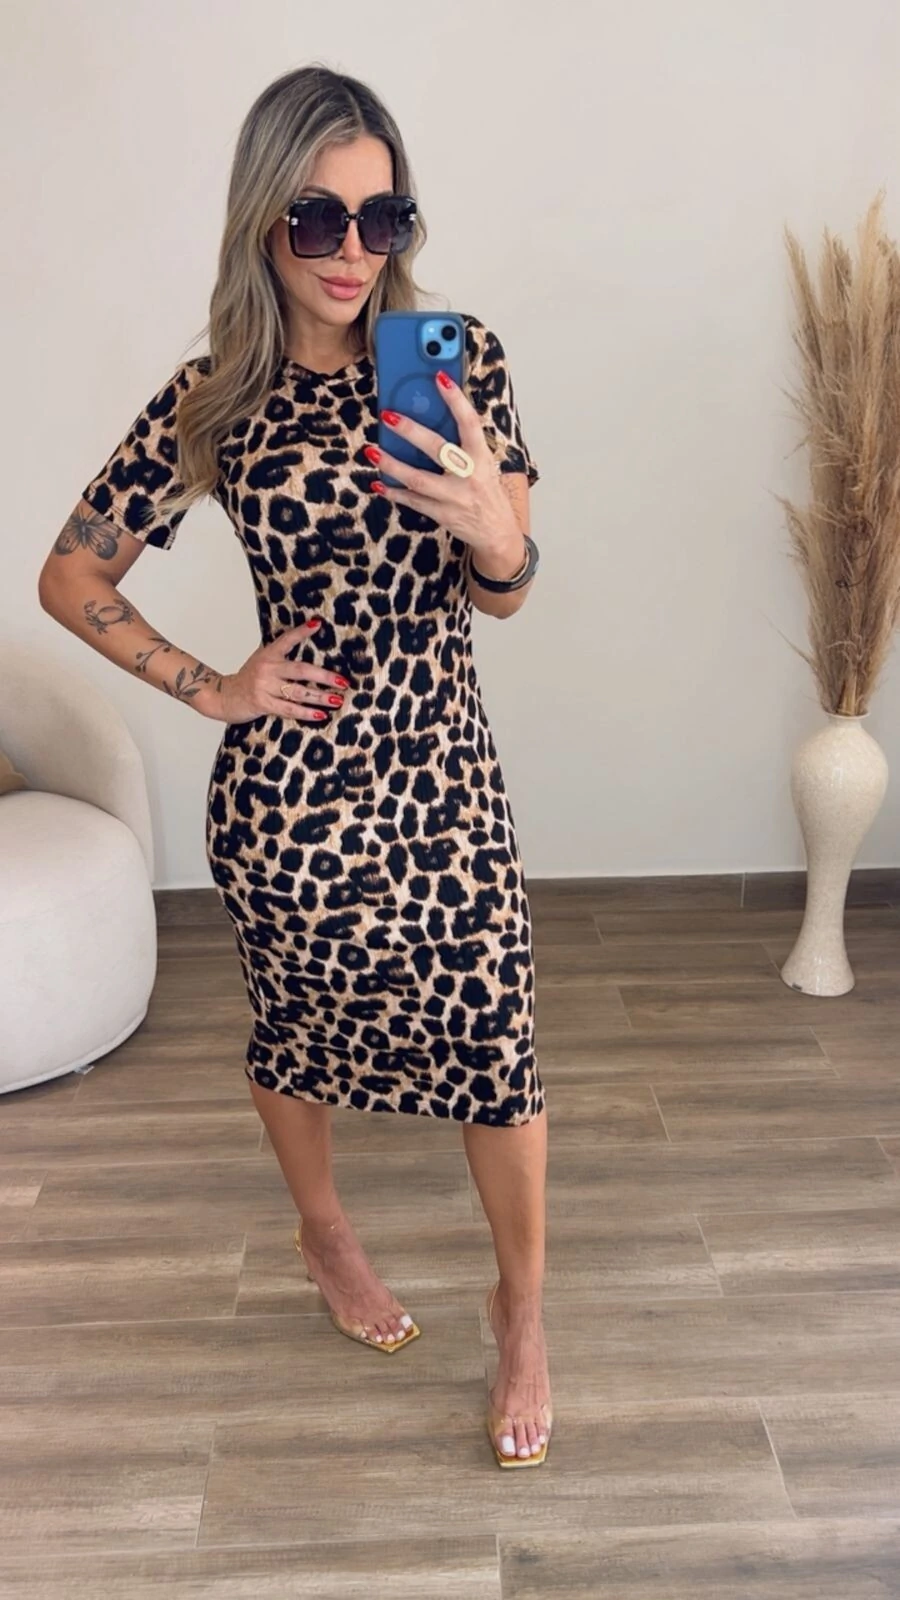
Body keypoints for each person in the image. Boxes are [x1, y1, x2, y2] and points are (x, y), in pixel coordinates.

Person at [38, 64, 551, 1469]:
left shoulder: (460, 360)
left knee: (497, 1046)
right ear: (262, 220)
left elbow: (507, 592)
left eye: (383, 219)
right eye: (317, 218)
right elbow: (71, 575)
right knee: (296, 1030)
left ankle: (521, 1310)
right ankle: (324, 1235)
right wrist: (213, 686)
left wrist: (494, 533)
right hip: (289, 799)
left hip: (442, 775)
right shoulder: (216, 399)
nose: (350, 251)